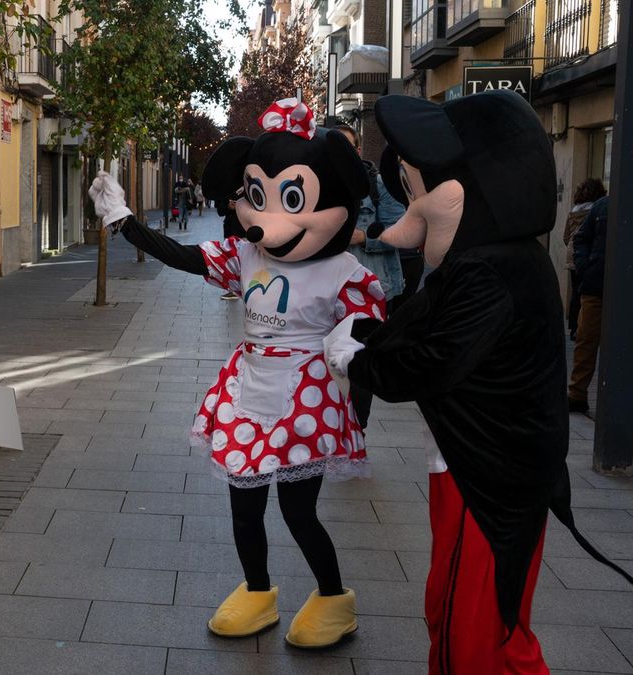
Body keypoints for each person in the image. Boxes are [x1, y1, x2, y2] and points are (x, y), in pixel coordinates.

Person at [328, 91, 631, 675]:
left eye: (416, 193)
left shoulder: (491, 272)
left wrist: (355, 361)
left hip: (488, 480)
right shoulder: (482, 262)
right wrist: (369, 330)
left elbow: (430, 363)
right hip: (475, 469)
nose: (409, 210)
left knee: (471, 630)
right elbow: (417, 325)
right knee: (479, 621)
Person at [92, 99, 381, 649]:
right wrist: (124, 222)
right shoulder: (245, 257)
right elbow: (183, 257)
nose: (267, 220)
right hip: (249, 390)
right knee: (244, 509)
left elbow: (371, 324)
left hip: (305, 399)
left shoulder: (344, 270)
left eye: (290, 199)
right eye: (259, 198)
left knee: (299, 513)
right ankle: (257, 591)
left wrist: (354, 342)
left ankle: (333, 598)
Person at [331, 125, 405, 430]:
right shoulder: (319, 185)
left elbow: (401, 231)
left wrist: (362, 236)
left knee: (359, 362)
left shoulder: (379, 185)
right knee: (329, 360)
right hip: (328, 290)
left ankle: (356, 429)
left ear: (358, 150)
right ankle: (332, 424)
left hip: (370, 290)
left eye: (347, 147)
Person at [568, 194, 608, 414]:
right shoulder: (602, 206)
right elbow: (581, 238)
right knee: (586, 340)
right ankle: (577, 394)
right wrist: (585, 267)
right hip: (596, 285)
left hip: (601, 283)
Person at [562, 179, 605, 341]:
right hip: (587, 255)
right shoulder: (596, 210)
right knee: (585, 293)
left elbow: (566, 236)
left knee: (575, 292)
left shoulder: (573, 211)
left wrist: (571, 248)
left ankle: (573, 327)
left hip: (572, 253)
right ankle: (582, 327)